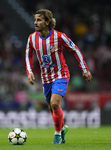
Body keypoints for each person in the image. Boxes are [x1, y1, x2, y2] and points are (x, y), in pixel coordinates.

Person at [25, 9, 92, 145]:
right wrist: (29, 71)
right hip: (45, 78)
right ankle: (63, 128)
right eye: (35, 20)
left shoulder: (59, 36)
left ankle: (57, 136)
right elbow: (28, 55)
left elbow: (75, 50)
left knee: (55, 104)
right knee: (51, 108)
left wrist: (85, 69)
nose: (35, 22)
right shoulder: (32, 38)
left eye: (39, 20)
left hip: (61, 74)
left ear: (47, 22)